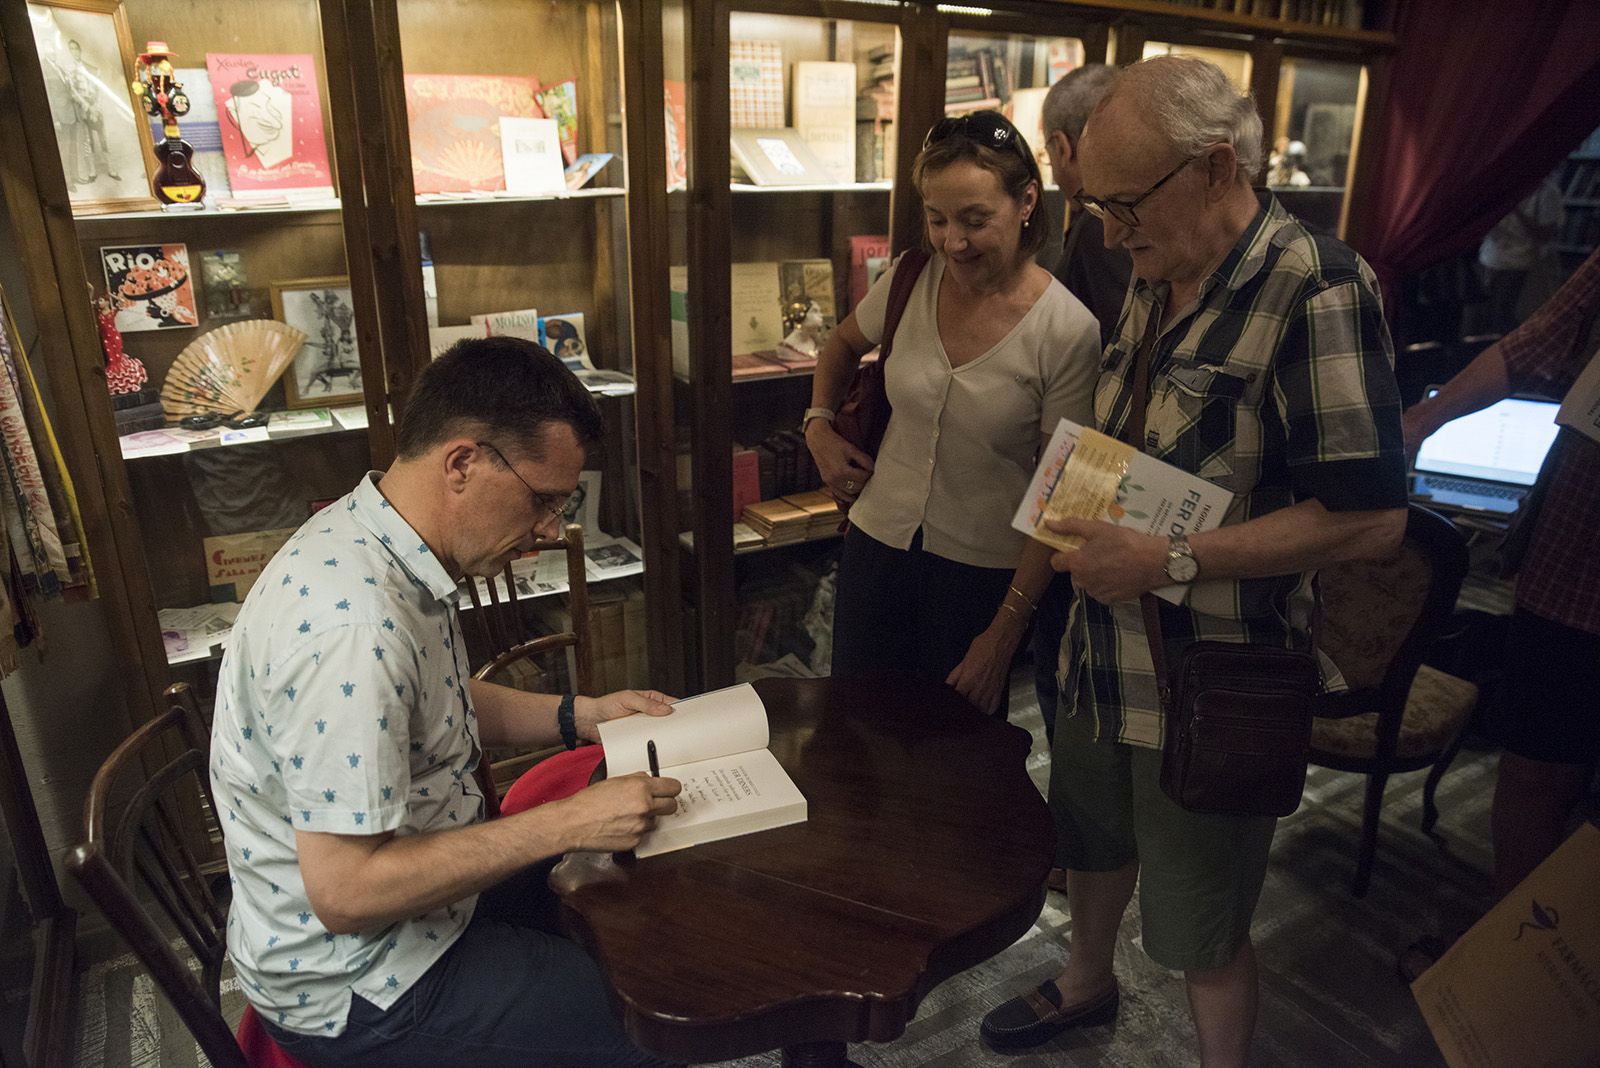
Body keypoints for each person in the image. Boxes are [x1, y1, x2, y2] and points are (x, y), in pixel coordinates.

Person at [981, 57, 1407, 1067]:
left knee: (1199, 920)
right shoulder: (1156, 266)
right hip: (1097, 648)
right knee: (1087, 844)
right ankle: (1086, 984)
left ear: (1214, 167)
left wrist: (1166, 559)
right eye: (1095, 206)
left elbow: (1372, 520)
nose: (1109, 232)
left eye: (1122, 204)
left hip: (1211, 677)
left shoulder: (1317, 286)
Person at [210, 337, 682, 1066]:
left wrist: (579, 715)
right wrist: (565, 820)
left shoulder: (377, 540)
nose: (553, 528)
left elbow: (437, 704)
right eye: (544, 499)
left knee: (635, 903)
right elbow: (347, 891)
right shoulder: (354, 626)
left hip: (419, 915)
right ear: (463, 462)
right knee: (658, 1014)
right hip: (363, 982)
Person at [803, 110, 1101, 717]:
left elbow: (1065, 499)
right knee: (856, 736)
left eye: (974, 220)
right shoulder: (912, 278)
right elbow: (838, 345)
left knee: (956, 764)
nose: (952, 243)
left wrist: (1005, 631)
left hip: (983, 581)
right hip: (876, 548)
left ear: (1025, 203)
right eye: (937, 219)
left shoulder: (1069, 331)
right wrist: (818, 426)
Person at [1402, 245, 1600, 909]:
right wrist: (1420, 422)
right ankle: (1512, 956)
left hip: (1576, 559)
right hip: (1578, 559)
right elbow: (1533, 344)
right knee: (1533, 771)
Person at [1475, 177, 1565, 335]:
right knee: (1486, 313)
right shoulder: (1499, 186)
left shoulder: (1547, 191)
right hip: (1491, 256)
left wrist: (1514, 206)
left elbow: (1544, 234)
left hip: (1523, 259)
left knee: (1505, 312)